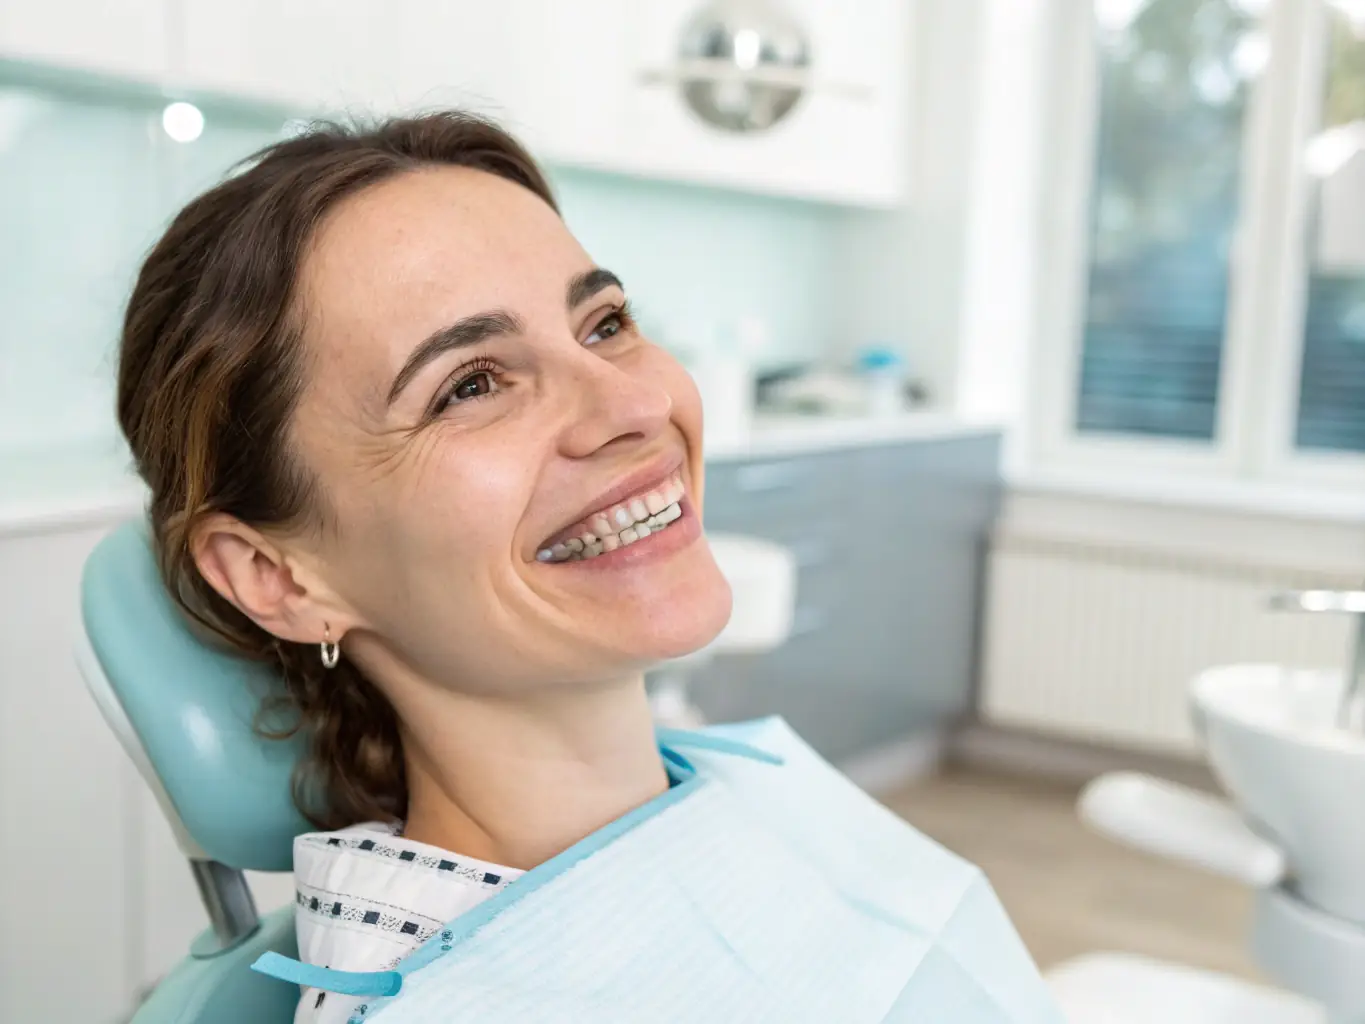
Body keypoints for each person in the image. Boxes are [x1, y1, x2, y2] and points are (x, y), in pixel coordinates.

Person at [117, 113, 1061, 1023]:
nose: (632, 406)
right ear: (276, 577)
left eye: (604, 323)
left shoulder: (742, 781)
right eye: (470, 385)